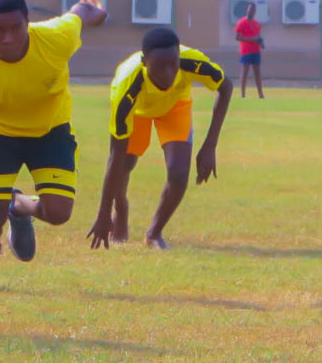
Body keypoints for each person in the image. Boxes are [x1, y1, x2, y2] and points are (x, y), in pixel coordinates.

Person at [0, 0, 108, 294]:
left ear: (28, 22)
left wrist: (96, 13)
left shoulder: (58, 37)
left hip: (50, 131)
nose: (7, 38)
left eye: (15, 28)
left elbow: (79, 13)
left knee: (59, 213)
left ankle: (18, 205)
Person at [86, 26, 232, 251]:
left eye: (173, 64)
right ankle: (121, 209)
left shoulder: (192, 61)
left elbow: (225, 87)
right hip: (138, 111)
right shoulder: (126, 87)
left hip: (174, 107)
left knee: (179, 172)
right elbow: (114, 158)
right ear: (145, 62)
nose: (168, 73)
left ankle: (154, 233)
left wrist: (210, 145)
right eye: (160, 66)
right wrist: (104, 215)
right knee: (125, 164)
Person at [233, 2, 264, 99]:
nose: (251, 11)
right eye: (250, 9)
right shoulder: (241, 22)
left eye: (253, 9)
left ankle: (260, 94)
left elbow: (258, 35)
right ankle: (243, 94)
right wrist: (252, 39)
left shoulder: (257, 23)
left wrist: (260, 41)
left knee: (257, 73)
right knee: (244, 72)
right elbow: (237, 37)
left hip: (256, 50)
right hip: (246, 51)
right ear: (247, 10)